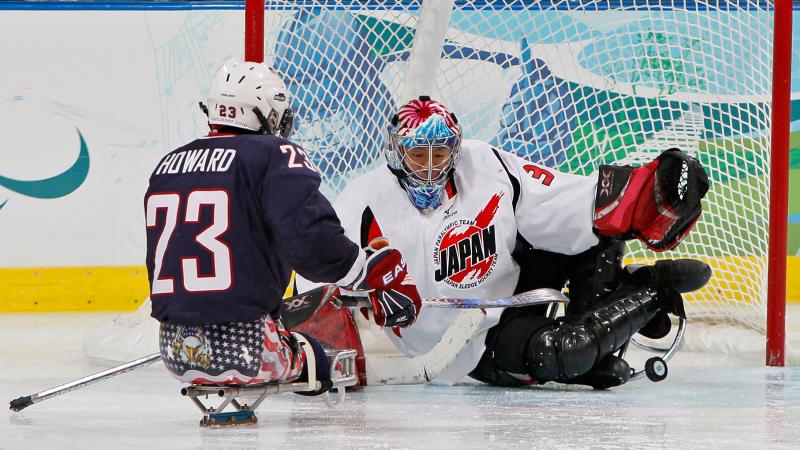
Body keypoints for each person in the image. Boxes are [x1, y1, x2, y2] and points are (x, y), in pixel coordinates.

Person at [299, 96, 710, 389]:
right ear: (395, 153)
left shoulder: (483, 163)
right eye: (416, 155)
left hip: (513, 281)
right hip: (466, 348)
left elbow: (572, 204)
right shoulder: (362, 200)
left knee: (601, 232)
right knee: (566, 351)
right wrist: (320, 355)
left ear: (454, 152)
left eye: (439, 155)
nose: (428, 167)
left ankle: (601, 339)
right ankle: (651, 291)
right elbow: (314, 279)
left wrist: (646, 194)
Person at [143, 61, 421, 388]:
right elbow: (312, 242)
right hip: (248, 350)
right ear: (270, 114)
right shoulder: (273, 154)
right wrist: (366, 271)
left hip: (174, 351)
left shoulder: (168, 164)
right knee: (326, 360)